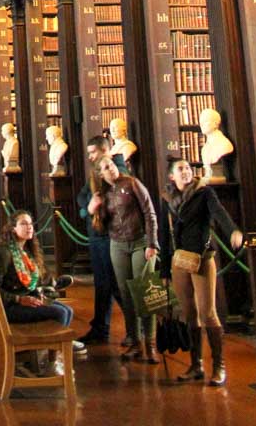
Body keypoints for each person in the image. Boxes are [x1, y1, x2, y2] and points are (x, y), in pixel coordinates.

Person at [159, 158, 242, 386]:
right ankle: (196, 365)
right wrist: (164, 271)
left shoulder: (204, 193)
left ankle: (219, 366)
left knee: (208, 313)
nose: (186, 171)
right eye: (180, 169)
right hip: (179, 260)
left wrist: (233, 231)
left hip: (202, 258)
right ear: (171, 176)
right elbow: (164, 235)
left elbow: (219, 213)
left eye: (187, 168)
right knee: (189, 313)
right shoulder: (167, 199)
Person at [0, 209, 83, 375]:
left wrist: (39, 291)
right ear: (13, 228)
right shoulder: (3, 253)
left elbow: (32, 280)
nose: (29, 227)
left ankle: (59, 346)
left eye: (30, 224)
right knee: (59, 313)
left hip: (26, 299)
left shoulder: (25, 251)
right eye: (23, 224)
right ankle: (52, 363)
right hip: (9, 306)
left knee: (67, 310)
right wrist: (19, 299)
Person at [90, 154, 159, 363]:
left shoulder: (132, 183)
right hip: (117, 244)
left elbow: (149, 212)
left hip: (140, 242)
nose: (111, 169)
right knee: (126, 293)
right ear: (100, 174)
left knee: (145, 291)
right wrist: (94, 209)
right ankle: (135, 342)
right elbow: (101, 227)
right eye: (106, 167)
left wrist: (152, 243)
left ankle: (150, 344)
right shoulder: (103, 194)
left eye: (111, 164)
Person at [76, 134, 127, 345]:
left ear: (105, 151)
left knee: (115, 284)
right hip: (98, 234)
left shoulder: (117, 172)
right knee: (103, 284)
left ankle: (137, 328)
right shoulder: (96, 171)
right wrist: (86, 210)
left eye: (93, 152)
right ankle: (100, 327)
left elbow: (109, 203)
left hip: (109, 235)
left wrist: (89, 208)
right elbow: (82, 197)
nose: (89, 157)